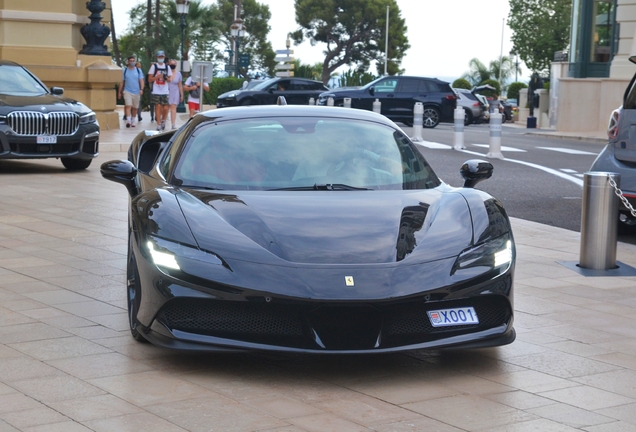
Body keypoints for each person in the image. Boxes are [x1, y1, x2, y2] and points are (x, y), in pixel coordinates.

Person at [148, 50, 172, 131]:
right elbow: (149, 79)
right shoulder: (154, 67)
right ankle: (158, 123)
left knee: (165, 107)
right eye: (159, 57)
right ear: (157, 57)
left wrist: (166, 78)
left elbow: (170, 79)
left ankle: (163, 121)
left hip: (165, 90)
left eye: (162, 57)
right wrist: (157, 77)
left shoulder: (167, 67)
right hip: (156, 90)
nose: (161, 58)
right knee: (158, 106)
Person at [118, 55, 144, 128]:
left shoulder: (138, 70)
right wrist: (119, 92)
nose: (132, 62)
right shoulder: (125, 70)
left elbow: (141, 80)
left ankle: (133, 119)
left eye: (133, 61)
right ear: (128, 62)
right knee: (128, 105)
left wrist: (141, 89)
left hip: (136, 91)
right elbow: (122, 82)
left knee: (135, 107)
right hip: (127, 91)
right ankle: (128, 120)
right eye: (131, 61)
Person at [167, 59, 183, 129]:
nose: (173, 65)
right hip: (167, 91)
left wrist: (181, 94)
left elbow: (180, 85)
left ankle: (173, 123)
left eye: (174, 64)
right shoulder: (166, 72)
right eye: (171, 63)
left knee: (173, 107)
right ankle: (163, 121)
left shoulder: (179, 74)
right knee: (166, 107)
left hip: (175, 91)